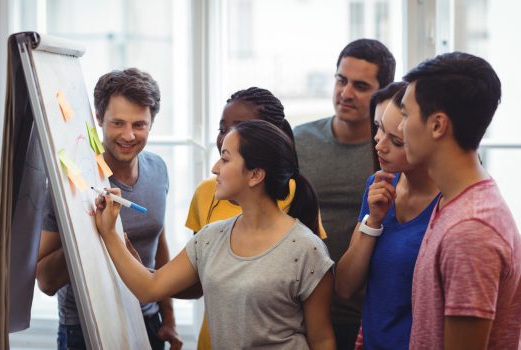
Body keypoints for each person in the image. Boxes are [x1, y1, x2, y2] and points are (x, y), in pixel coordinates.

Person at [95, 120, 336, 349]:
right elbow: (150, 288)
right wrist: (109, 234)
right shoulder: (211, 237)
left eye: (225, 159)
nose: (215, 168)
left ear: (255, 175)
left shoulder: (305, 250)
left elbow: (322, 340)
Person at [36, 68, 182, 350]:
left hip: (149, 321)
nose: (129, 135)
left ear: (152, 123)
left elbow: (157, 241)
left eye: (139, 124)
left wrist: (169, 318)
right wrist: (92, 229)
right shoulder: (71, 184)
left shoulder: (158, 170)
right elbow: (45, 280)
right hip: (85, 328)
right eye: (118, 123)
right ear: (99, 119)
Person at [185, 87, 327, 350]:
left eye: (240, 128)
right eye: (222, 128)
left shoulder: (295, 195)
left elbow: (312, 287)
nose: (226, 137)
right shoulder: (208, 193)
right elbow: (196, 280)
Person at [399, 52, 521, 349]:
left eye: (405, 115)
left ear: (438, 125)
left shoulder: (470, 230)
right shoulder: (453, 201)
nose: (400, 129)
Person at [293, 38, 396, 348]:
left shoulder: (395, 152)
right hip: (301, 306)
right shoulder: (298, 141)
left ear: (381, 93)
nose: (346, 93)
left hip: (369, 311)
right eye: (341, 80)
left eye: (361, 86)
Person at [335, 82, 440, 350]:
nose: (379, 144)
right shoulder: (379, 185)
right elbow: (345, 286)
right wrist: (373, 221)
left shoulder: (450, 204)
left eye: (395, 141)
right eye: (379, 128)